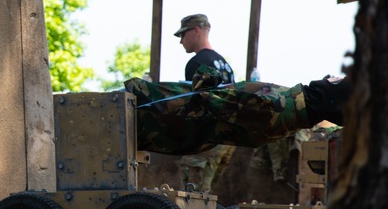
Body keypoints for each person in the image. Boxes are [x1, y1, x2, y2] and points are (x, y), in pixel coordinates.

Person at [125, 66, 352, 157]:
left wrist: (205, 87)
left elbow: (212, 102)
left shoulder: (274, 107)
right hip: (293, 108)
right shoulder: (285, 115)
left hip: (154, 115)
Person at [173, 14, 236, 190]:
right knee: (207, 197)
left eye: (183, 35)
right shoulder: (224, 64)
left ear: (196, 30)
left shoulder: (197, 63)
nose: (181, 41)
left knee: (193, 197)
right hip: (226, 139)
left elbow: (194, 107)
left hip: (207, 139)